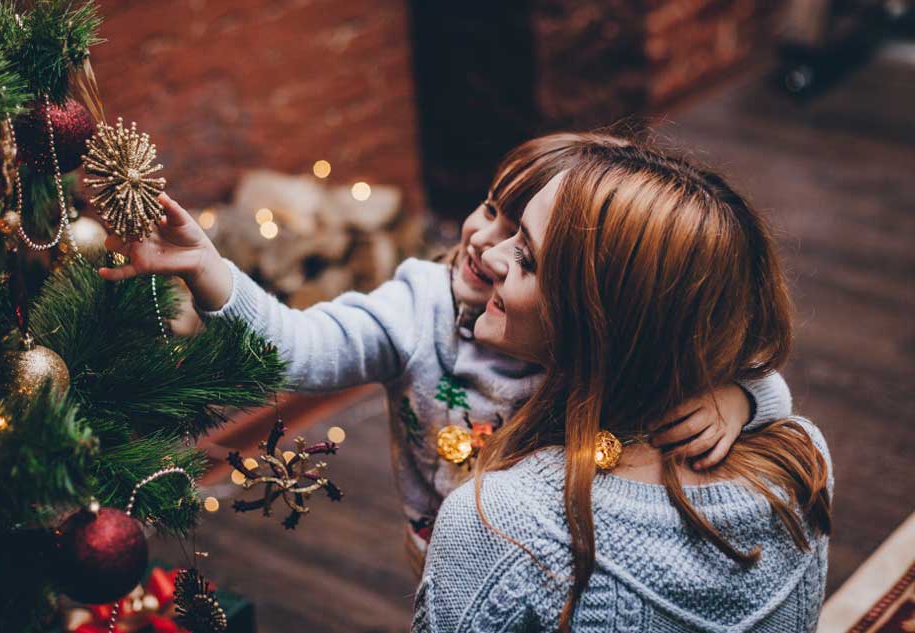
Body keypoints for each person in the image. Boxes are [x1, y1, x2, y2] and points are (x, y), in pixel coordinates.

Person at [97, 134, 792, 573]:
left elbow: (699, 374)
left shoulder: (589, 347)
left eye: (523, 243)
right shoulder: (417, 308)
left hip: (561, 561)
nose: (487, 243)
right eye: (490, 208)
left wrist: (744, 397)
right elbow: (300, 349)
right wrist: (209, 270)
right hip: (442, 551)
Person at [413, 140, 832, 631]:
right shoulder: (802, 462)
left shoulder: (501, 525)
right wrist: (749, 395)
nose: (492, 255)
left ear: (598, 318)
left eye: (526, 256)